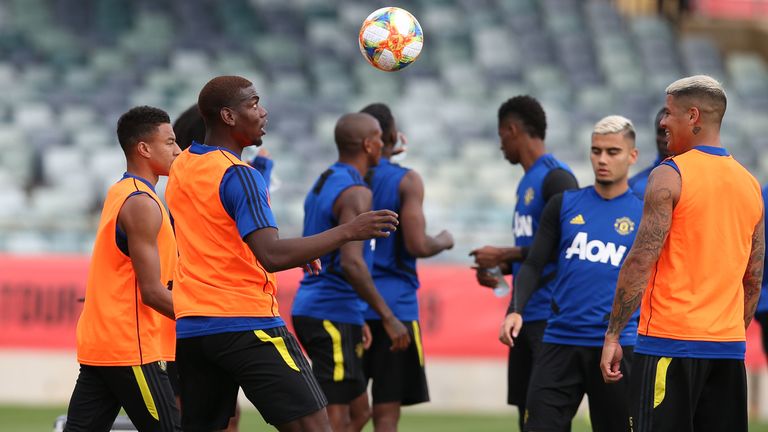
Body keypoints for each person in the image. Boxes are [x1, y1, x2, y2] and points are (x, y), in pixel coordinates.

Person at [165, 75, 399, 432]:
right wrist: (350, 230)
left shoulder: (182, 166)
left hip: (193, 330)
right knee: (316, 427)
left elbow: (219, 234)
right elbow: (271, 255)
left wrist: (299, 249)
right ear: (228, 116)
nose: (263, 111)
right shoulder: (240, 175)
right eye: (253, 103)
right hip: (245, 322)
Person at [601, 75, 764, 432]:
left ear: (693, 117)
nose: (662, 122)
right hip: (727, 350)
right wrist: (730, 333)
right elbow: (754, 276)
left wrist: (613, 335)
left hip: (669, 345)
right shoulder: (750, 183)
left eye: (669, 114)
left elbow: (641, 260)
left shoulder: (669, 174)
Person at [500, 115, 642, 431]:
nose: (602, 159)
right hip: (560, 340)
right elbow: (534, 264)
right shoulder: (564, 204)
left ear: (632, 156)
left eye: (612, 152)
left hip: (618, 346)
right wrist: (515, 310)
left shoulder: (645, 214)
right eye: (596, 151)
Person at [291, 112, 411, 432]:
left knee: (360, 413)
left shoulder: (327, 179)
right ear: (369, 144)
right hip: (331, 312)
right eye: (380, 140)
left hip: (329, 310)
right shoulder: (358, 193)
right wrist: (387, 316)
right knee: (335, 417)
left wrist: (357, 315)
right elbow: (351, 262)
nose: (385, 145)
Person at [64, 106, 182, 432]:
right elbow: (153, 292)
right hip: (133, 348)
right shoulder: (142, 203)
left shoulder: (122, 191)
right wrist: (214, 316)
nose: (177, 150)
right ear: (144, 148)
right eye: (170, 142)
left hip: (103, 345)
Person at [469, 95, 578, 430]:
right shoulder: (525, 182)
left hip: (550, 317)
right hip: (523, 315)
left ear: (513, 130)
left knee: (547, 417)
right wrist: (501, 269)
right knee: (526, 415)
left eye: (502, 137)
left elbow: (570, 247)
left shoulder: (557, 178)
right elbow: (535, 253)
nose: (502, 146)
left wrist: (506, 254)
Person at [359, 103, 454, 432]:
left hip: (351, 307)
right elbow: (417, 244)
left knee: (343, 412)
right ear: (388, 135)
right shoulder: (406, 180)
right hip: (395, 310)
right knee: (386, 413)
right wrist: (443, 239)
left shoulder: (342, 177)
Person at [628, 107, 671, 199]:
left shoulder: (700, 180)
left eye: (670, 132)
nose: (665, 139)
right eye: (661, 132)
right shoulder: (634, 186)